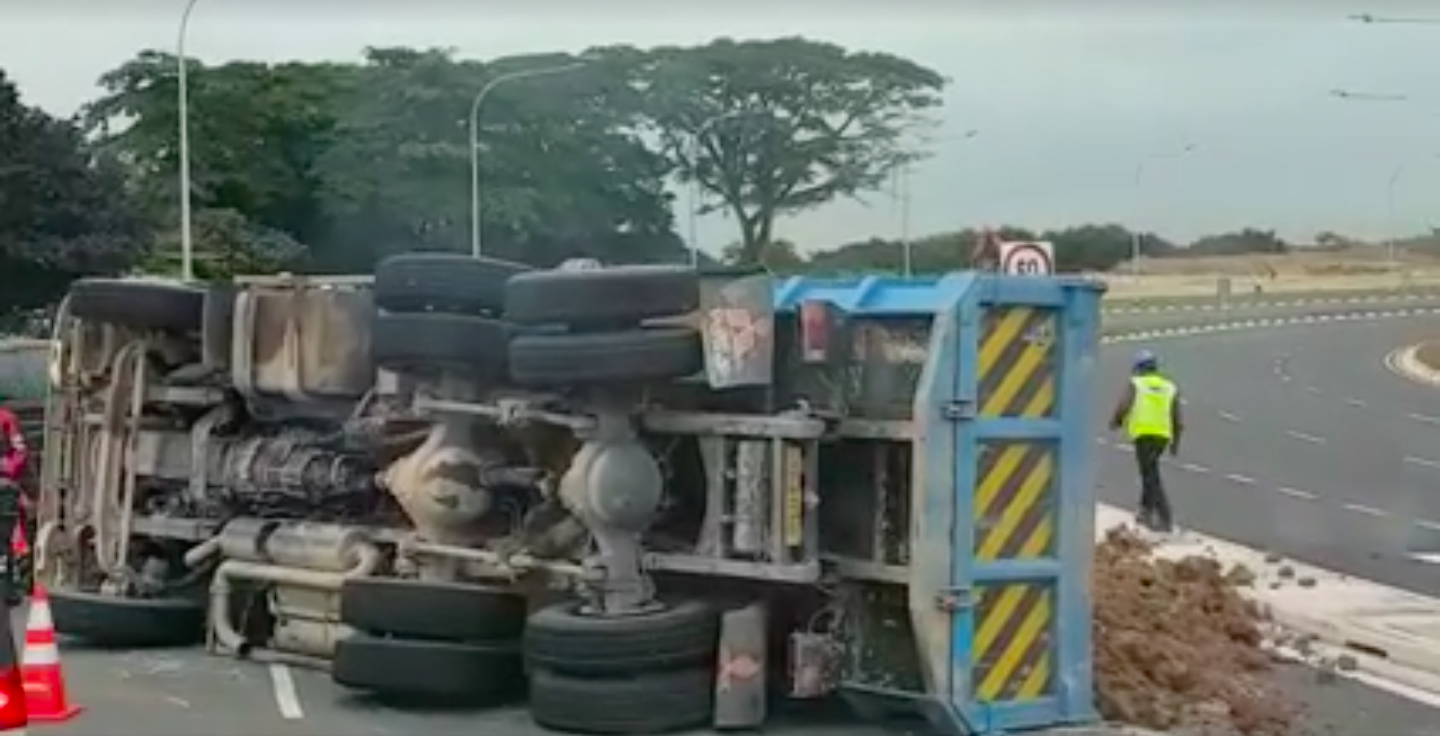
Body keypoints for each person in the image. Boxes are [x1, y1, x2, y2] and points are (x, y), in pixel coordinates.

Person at [1109, 349, 1183, 533]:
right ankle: (1145, 511)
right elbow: (1177, 419)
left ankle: (1165, 517)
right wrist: (1175, 443)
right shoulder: (1169, 387)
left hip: (1143, 435)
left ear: (1138, 368)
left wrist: (1116, 421)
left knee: (1151, 477)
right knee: (1149, 471)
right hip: (1162, 437)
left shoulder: (1136, 384)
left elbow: (1124, 405)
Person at [0, 399, 28, 606]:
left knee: (2, 542)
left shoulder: (7, 419)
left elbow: (20, 452)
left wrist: (6, 470)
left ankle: (6, 588)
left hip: (3, 490)